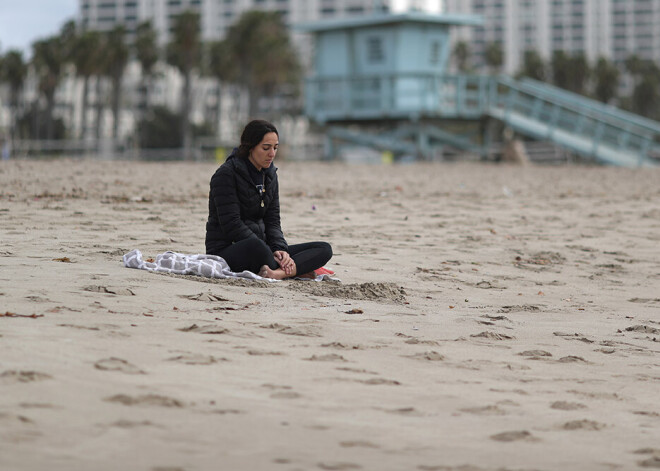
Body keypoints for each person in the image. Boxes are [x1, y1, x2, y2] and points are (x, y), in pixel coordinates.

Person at [206, 119, 332, 280]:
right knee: (258, 248)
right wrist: (269, 250)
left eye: (275, 148)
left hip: (265, 248)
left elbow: (273, 221)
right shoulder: (226, 174)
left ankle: (277, 273)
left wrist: (280, 250)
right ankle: (296, 269)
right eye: (266, 148)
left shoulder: (270, 176)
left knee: (323, 249)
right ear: (250, 147)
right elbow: (231, 224)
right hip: (230, 249)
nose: (272, 154)